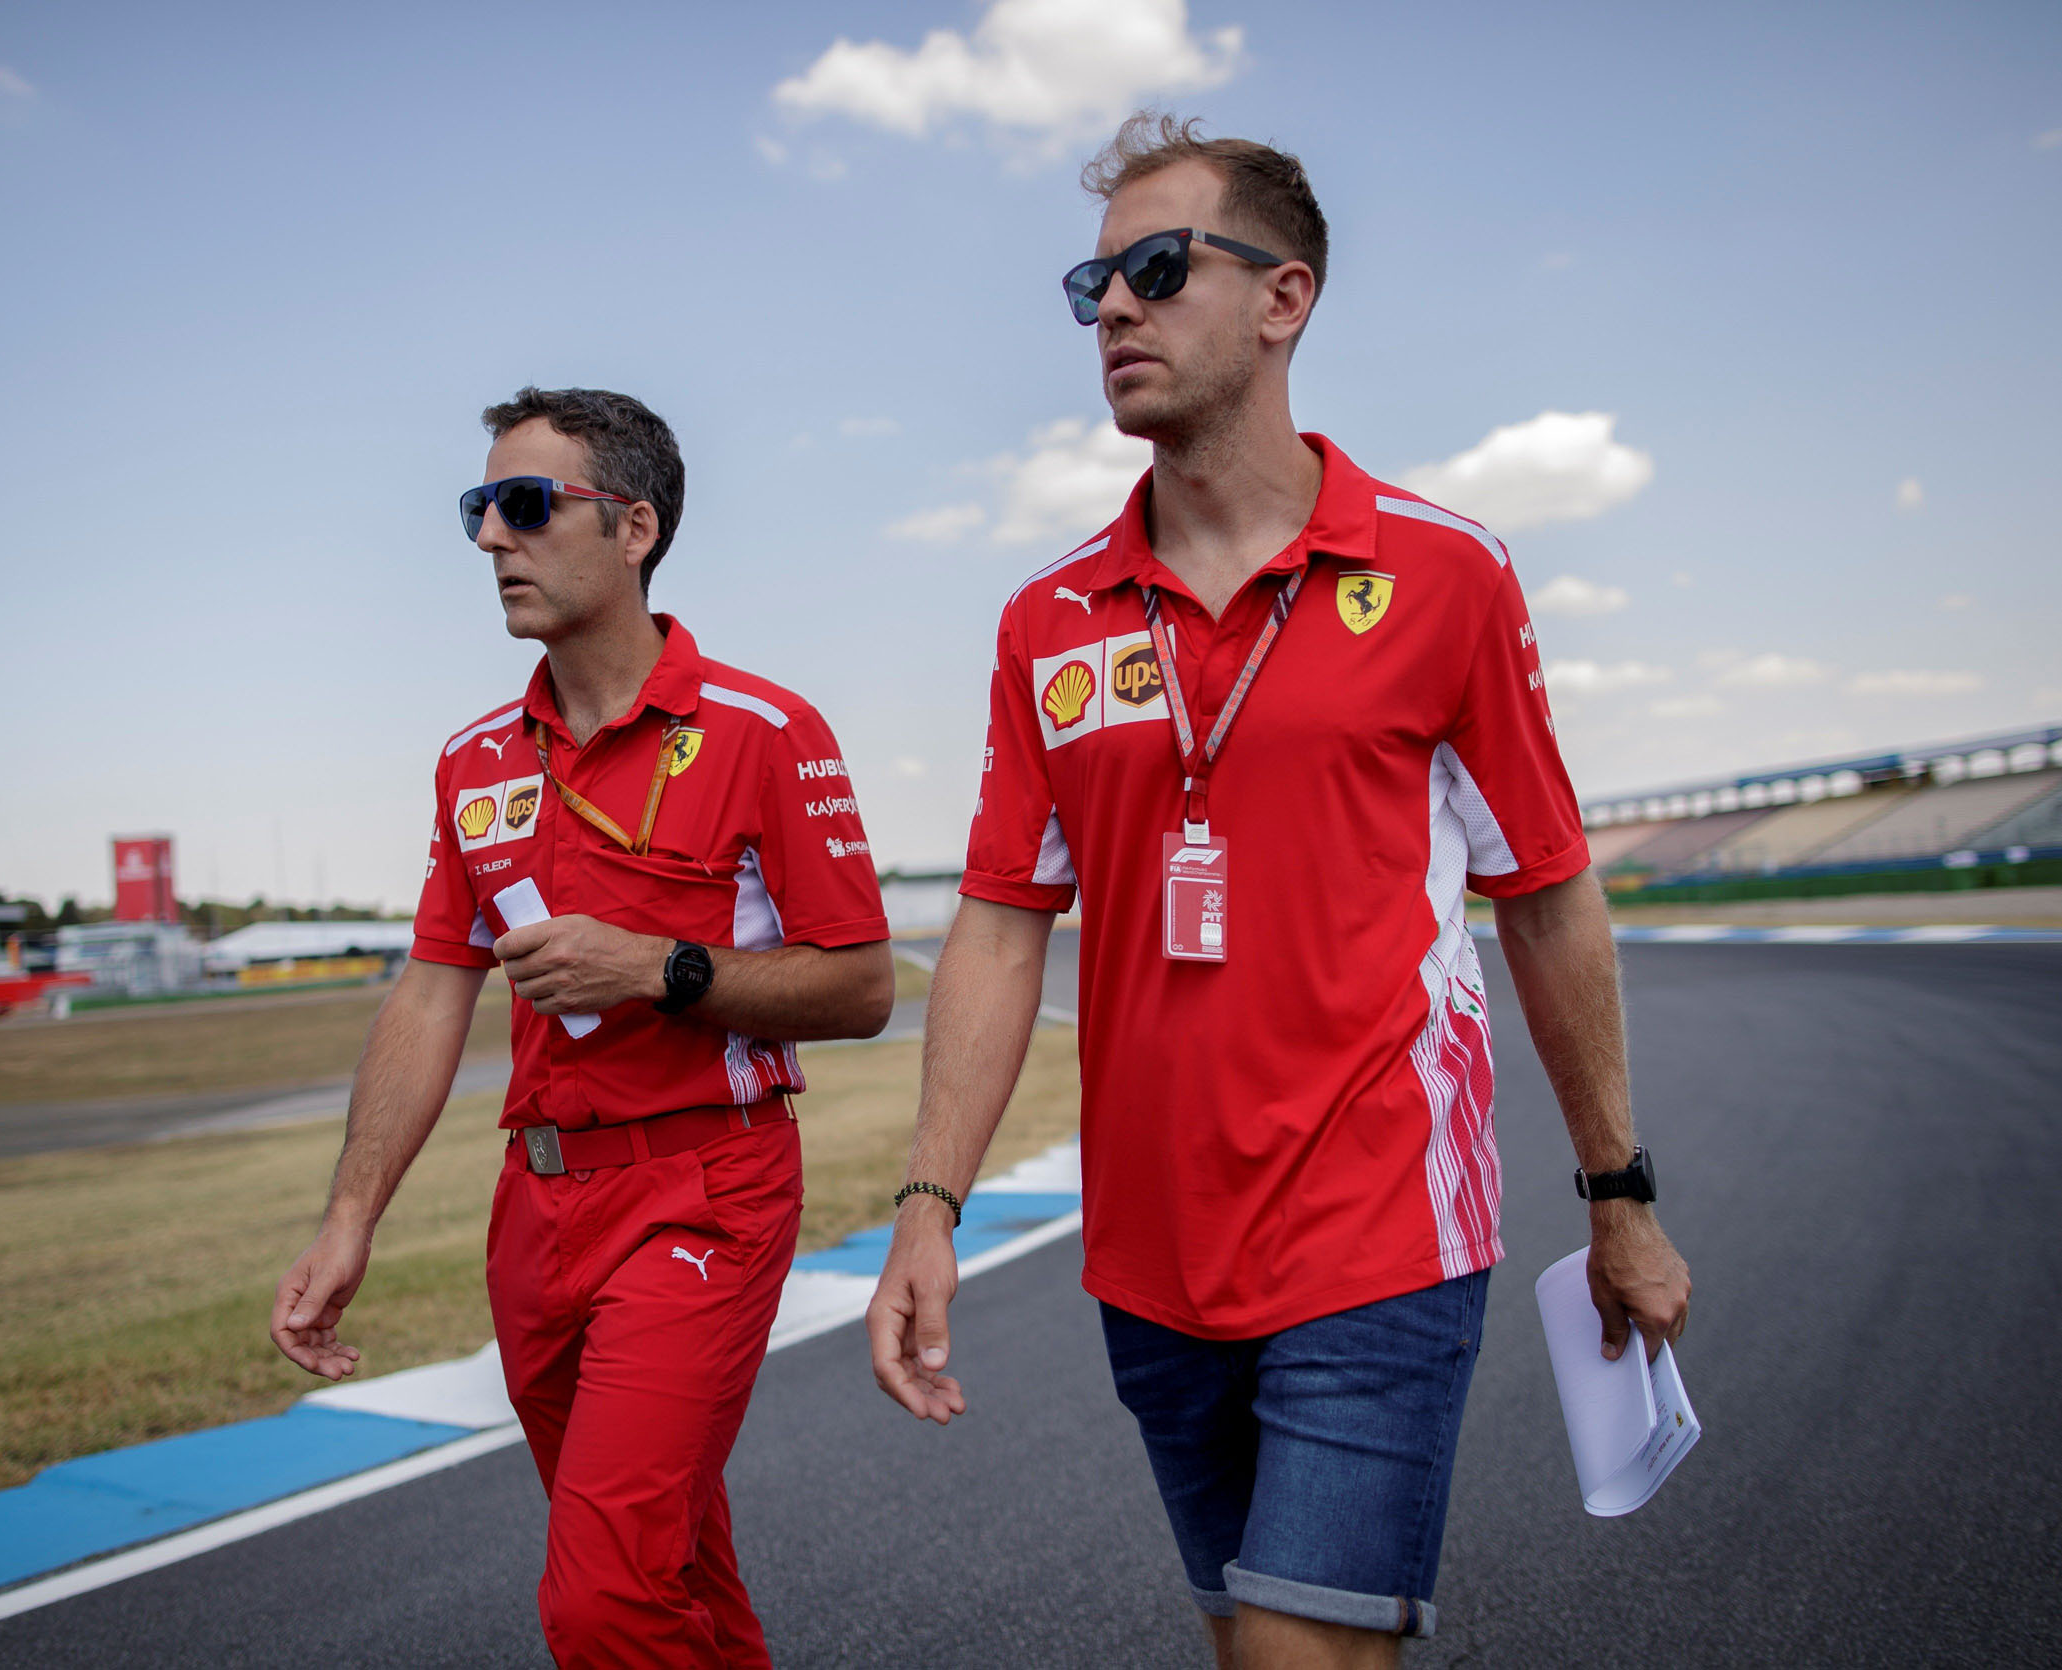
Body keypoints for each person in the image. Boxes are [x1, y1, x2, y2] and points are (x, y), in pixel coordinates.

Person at [865, 114, 1693, 1669]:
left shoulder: (1447, 573)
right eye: (1091, 281)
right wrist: (928, 1199)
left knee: (1293, 1657)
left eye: (1155, 268)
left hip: (1380, 1225)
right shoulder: (1046, 619)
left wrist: (1618, 1192)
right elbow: (994, 917)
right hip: (1152, 1253)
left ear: (1283, 298)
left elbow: (1545, 893)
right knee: (1252, 1635)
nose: (1112, 308)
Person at [273, 387, 895, 1668]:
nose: (492, 539)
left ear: (634, 528)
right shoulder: (475, 760)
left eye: (525, 505)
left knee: (601, 1601)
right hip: (538, 1212)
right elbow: (433, 988)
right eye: (478, 510)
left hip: (703, 1192)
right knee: (671, 1577)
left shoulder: (765, 731)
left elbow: (862, 986)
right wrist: (350, 1216)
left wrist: (662, 968)